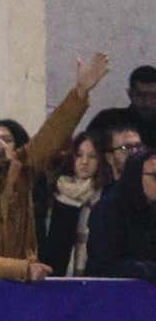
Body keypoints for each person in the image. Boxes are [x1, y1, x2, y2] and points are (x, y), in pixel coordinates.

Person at [0, 53, 110, 281]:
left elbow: (50, 137)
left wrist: (79, 93)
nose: (4, 146)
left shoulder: (19, 170)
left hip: (22, 292)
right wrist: (21, 269)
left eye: (8, 140)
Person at [36, 131, 109, 276]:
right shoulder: (55, 192)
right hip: (53, 273)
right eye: (79, 155)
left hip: (93, 275)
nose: (84, 162)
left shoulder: (105, 196)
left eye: (92, 156)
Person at [86, 148, 156, 279]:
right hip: (105, 293)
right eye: (155, 176)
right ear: (135, 176)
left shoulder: (151, 209)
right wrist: (146, 269)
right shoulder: (109, 209)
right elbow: (105, 266)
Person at [86, 65, 156, 146]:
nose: (147, 102)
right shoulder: (107, 121)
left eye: (153, 96)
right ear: (130, 94)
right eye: (140, 95)